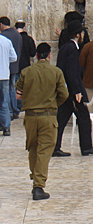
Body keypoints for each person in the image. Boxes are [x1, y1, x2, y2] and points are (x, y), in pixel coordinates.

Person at [16, 43, 69, 200]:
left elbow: (18, 94)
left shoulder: (26, 72)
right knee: (45, 150)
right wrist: (52, 104)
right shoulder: (56, 72)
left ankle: (35, 176)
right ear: (49, 55)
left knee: (33, 147)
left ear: (37, 55)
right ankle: (39, 186)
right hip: (49, 116)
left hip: (31, 116)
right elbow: (64, 94)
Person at [54, 21, 93, 157]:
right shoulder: (72, 48)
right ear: (77, 34)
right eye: (81, 32)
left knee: (61, 119)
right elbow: (71, 72)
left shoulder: (66, 47)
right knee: (83, 118)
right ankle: (87, 148)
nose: (83, 35)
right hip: (72, 92)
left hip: (67, 91)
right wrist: (76, 91)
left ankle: (54, 146)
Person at [0, 16, 22, 120]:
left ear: (2, 24)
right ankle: (15, 109)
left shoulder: (3, 36)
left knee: (6, 90)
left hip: (5, 67)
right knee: (13, 89)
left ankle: (10, 111)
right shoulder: (17, 34)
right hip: (15, 66)